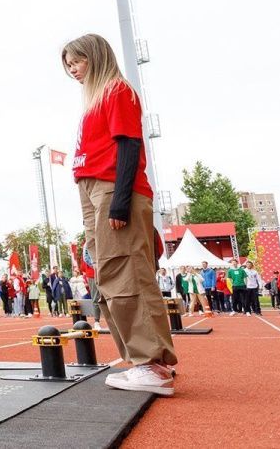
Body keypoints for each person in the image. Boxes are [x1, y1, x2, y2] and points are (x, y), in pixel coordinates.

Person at [63, 33, 176, 396]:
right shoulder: (95, 99)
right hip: (92, 187)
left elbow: (128, 144)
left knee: (127, 271)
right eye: (68, 66)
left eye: (76, 62)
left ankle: (150, 363)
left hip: (113, 186)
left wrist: (120, 200)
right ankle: (142, 360)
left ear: (94, 57)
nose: (73, 70)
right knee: (108, 274)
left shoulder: (116, 90)